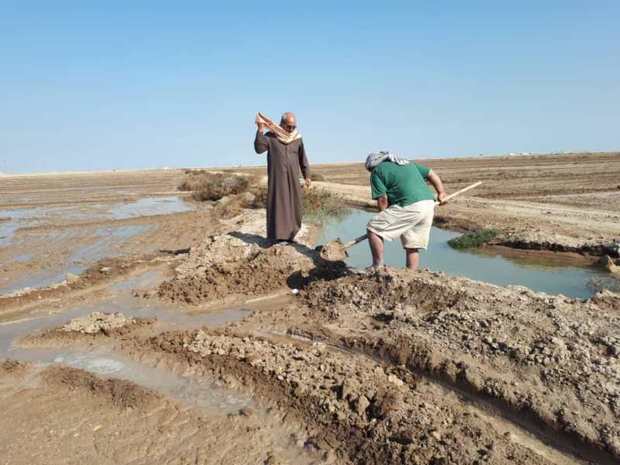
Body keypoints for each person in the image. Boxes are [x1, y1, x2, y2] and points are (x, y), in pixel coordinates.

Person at [365, 151, 447, 270]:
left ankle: (377, 266)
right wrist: (441, 192)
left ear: (373, 165)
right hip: (428, 204)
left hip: (409, 205)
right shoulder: (407, 163)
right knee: (412, 244)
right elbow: (431, 173)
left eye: (370, 169)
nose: (370, 172)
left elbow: (382, 199)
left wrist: (383, 218)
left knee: (373, 228)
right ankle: (411, 273)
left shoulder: (377, 171)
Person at [254, 112, 311, 244]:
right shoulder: (271, 137)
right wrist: (260, 129)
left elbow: (303, 158)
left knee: (295, 205)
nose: (291, 129)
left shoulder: (297, 138)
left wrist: (307, 176)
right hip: (277, 180)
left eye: (293, 126)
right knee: (278, 205)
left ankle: (292, 235)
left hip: (293, 179)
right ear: (282, 124)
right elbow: (259, 149)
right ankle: (277, 236)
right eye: (289, 126)